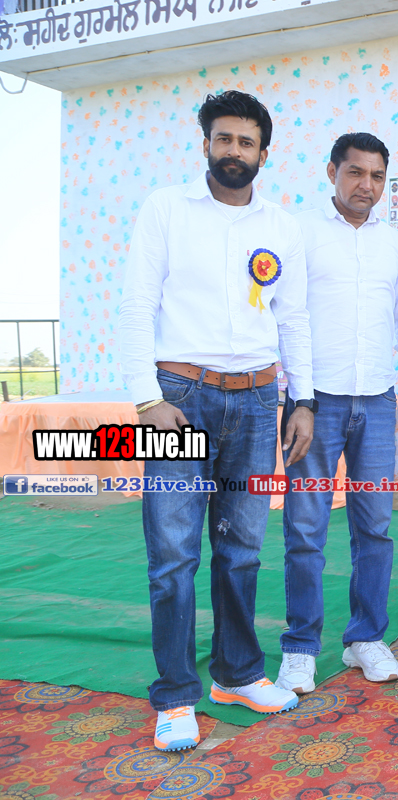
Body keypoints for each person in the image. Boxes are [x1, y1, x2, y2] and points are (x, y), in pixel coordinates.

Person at [117, 91, 310, 751]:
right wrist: (146, 400)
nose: (234, 151)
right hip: (179, 399)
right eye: (223, 139)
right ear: (205, 144)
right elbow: (137, 304)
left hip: (256, 402)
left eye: (245, 142)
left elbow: (293, 319)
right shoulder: (165, 209)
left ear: (264, 153)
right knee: (173, 556)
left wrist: (303, 400)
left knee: (243, 549)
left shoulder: (281, 226)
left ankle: (237, 675)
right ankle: (175, 697)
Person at [273, 133, 398, 695]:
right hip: (314, 402)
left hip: (377, 401)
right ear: (332, 172)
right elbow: (286, 318)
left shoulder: (395, 244)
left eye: (377, 176)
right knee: (305, 529)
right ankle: (300, 648)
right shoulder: (300, 234)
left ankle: (365, 639)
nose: (367, 186)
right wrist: (299, 399)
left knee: (375, 527)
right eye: (356, 173)